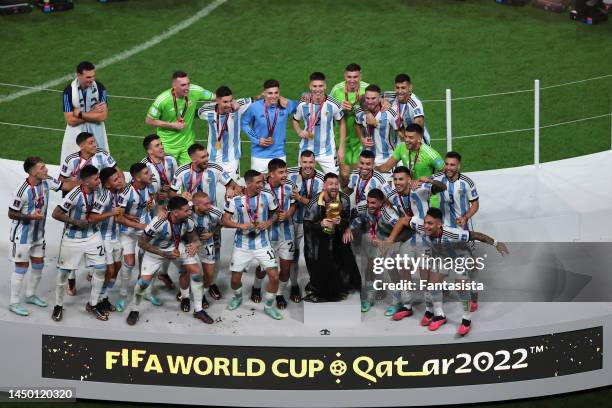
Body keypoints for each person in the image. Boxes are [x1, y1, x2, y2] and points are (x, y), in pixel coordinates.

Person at [387, 208, 508, 336]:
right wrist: (390, 241)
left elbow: (477, 235)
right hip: (443, 256)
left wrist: (497, 243)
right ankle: (439, 316)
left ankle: (466, 320)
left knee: (461, 287)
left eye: (430, 224)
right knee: (432, 285)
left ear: (439, 224)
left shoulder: (453, 233)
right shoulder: (420, 225)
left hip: (460, 256)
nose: (426, 226)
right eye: (425, 222)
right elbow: (403, 221)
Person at [127, 196, 212, 326]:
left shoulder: (187, 220)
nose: (190, 212)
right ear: (175, 212)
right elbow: (142, 243)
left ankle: (196, 307)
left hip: (177, 248)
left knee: (195, 272)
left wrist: (196, 243)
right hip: (156, 251)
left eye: (189, 210)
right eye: (186, 210)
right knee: (143, 282)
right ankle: (134, 310)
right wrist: (164, 253)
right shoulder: (158, 222)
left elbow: (193, 235)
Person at [8, 157, 74, 316]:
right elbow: (11, 213)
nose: (46, 170)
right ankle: (14, 302)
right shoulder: (21, 190)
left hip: (38, 236)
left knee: (38, 264)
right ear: (32, 172)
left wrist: (84, 180)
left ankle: (30, 295)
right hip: (21, 237)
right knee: (21, 268)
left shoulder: (46, 181)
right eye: (42, 168)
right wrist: (31, 217)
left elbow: (66, 185)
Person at [222, 170, 284, 320]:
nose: (261, 185)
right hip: (242, 245)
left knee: (274, 276)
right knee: (235, 280)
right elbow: (225, 220)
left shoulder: (268, 196)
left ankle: (269, 306)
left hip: (262, 244)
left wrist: (268, 222)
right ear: (248, 183)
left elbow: (276, 213)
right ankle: (237, 297)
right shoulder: (235, 200)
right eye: (258, 182)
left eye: (262, 181)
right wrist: (240, 225)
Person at [51, 165, 108, 322]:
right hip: (73, 238)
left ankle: (93, 303)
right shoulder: (74, 195)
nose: (99, 180)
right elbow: (56, 213)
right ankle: (58, 305)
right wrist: (75, 221)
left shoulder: (100, 190)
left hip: (92, 235)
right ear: (86, 182)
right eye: (95, 178)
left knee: (101, 268)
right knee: (63, 273)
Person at [433, 151, 481, 311]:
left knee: (470, 264)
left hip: (463, 230)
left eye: (452, 165)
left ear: (459, 166)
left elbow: (475, 204)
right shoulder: (438, 180)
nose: (448, 167)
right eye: (446, 164)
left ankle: (473, 293)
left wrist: (466, 217)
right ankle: (443, 288)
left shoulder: (467, 182)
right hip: (443, 231)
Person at [302, 173, 361, 302]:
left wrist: (344, 224)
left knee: (341, 261)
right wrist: (321, 224)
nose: (334, 187)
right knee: (317, 263)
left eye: (336, 184)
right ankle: (318, 288)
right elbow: (307, 224)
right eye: (330, 184)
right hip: (318, 239)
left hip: (337, 236)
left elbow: (348, 218)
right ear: (324, 186)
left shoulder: (344, 199)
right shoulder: (313, 203)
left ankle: (341, 288)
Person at [344, 188, 400, 313]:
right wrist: (349, 229)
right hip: (378, 237)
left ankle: (397, 302)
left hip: (392, 239)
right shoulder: (363, 206)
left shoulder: (388, 213)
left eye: (373, 203)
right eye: (369, 202)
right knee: (370, 266)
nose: (370, 205)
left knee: (391, 269)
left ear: (381, 203)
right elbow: (356, 217)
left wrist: (388, 243)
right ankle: (369, 298)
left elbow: (401, 227)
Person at [251, 159, 296, 309]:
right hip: (268, 234)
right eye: (281, 172)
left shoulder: (290, 186)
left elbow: (295, 203)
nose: (285, 175)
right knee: (263, 267)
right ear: (271, 174)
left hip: (287, 233)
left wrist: (288, 213)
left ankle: (279, 294)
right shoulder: (260, 187)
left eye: (286, 171)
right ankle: (256, 287)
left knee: (286, 268)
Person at [146, 71, 215, 165]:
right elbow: (149, 120)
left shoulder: (195, 91)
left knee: (190, 174)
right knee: (167, 176)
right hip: (167, 145)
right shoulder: (162, 100)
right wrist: (172, 125)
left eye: (188, 84)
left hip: (187, 144)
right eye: (183, 85)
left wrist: (233, 102)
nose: (187, 88)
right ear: (174, 86)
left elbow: (217, 97)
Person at [116, 163, 158, 312]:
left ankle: (147, 292)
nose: (151, 175)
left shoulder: (151, 186)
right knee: (129, 262)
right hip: (128, 232)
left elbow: (151, 203)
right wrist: (139, 226)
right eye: (147, 173)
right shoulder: (126, 192)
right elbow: (118, 218)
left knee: (148, 262)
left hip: (144, 231)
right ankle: (122, 295)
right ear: (137, 177)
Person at [87, 167, 127, 314]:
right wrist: (111, 212)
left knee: (116, 268)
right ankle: (94, 301)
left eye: (120, 177)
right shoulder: (104, 197)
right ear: (108, 185)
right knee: (108, 271)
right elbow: (91, 217)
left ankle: (103, 297)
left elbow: (120, 214)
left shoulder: (120, 194)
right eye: (116, 179)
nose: (120, 180)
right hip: (104, 239)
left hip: (115, 237)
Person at [287, 150, 325, 302]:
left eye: (310, 162)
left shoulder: (322, 180)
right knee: (294, 255)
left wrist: (299, 198)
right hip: (295, 222)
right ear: (300, 162)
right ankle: (294, 285)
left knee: (313, 255)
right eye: (305, 162)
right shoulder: (290, 174)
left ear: (314, 163)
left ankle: (315, 284)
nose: (307, 166)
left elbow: (318, 206)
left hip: (313, 223)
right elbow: (270, 175)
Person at [292, 72, 345, 175]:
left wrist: (341, 148)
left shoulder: (333, 104)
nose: (318, 89)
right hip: (306, 149)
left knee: (334, 181)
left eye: (320, 86)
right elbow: (295, 119)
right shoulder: (303, 103)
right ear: (310, 87)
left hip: (328, 151)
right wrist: (299, 131)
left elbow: (342, 122)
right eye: (314, 86)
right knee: (301, 181)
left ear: (325, 86)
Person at [241, 79, 298, 173]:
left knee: (279, 186)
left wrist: (303, 95)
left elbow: (301, 105)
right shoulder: (255, 107)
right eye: (270, 93)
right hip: (259, 156)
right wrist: (257, 139)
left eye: (276, 93)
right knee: (258, 186)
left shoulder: (285, 105)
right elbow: (244, 123)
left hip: (279, 155)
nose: (274, 96)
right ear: (264, 93)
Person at [197, 86, 252, 179]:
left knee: (233, 189)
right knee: (213, 189)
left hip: (232, 160)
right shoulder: (206, 110)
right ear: (217, 100)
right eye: (225, 102)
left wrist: (280, 98)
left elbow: (259, 98)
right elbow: (195, 114)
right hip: (213, 158)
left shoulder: (238, 106)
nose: (229, 104)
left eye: (230, 100)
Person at [329, 63, 369, 186]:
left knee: (362, 172)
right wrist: (340, 108)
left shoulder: (367, 88)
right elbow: (327, 110)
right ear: (345, 76)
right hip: (342, 138)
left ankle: (359, 198)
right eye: (349, 77)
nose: (352, 80)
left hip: (360, 137)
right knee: (345, 175)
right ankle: (345, 197)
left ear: (360, 76)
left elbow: (380, 102)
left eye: (355, 77)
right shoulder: (337, 90)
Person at [61, 61, 108, 163]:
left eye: (93, 76)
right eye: (88, 77)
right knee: (75, 163)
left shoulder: (100, 88)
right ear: (79, 75)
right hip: (76, 133)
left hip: (97, 132)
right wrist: (93, 112)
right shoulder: (68, 91)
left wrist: (80, 114)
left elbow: (103, 116)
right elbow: (70, 120)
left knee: (100, 163)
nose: (92, 80)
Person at [355, 84, 399, 182]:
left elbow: (400, 132)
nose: (370, 101)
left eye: (373, 98)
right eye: (367, 98)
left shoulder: (390, 113)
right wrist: (362, 138)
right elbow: (357, 124)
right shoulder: (360, 112)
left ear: (380, 98)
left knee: (387, 191)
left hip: (386, 158)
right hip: (366, 159)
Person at [169, 143, 236, 205]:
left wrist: (229, 189)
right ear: (193, 159)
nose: (207, 159)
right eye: (203, 157)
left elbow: (233, 185)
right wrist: (181, 196)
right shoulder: (181, 171)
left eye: (207, 155)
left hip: (210, 210)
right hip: (189, 210)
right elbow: (171, 193)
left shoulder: (215, 168)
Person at [191, 191, 225, 308]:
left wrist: (211, 233)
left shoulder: (215, 212)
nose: (209, 206)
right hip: (190, 245)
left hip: (208, 244)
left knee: (209, 273)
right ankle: (185, 293)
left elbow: (224, 222)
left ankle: (203, 292)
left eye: (209, 203)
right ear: (196, 205)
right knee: (189, 270)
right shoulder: (187, 211)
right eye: (205, 204)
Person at [376, 123, 443, 180]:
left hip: (427, 193)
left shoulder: (430, 154)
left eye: (411, 137)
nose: (406, 140)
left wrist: (429, 180)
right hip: (410, 192)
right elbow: (386, 167)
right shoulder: (402, 147)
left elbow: (446, 172)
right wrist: (372, 169)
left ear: (419, 139)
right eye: (406, 136)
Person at [383, 74, 431, 145]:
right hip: (401, 145)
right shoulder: (392, 96)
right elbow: (371, 96)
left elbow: (418, 127)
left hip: (418, 144)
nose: (400, 91)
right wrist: (382, 101)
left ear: (410, 88)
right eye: (397, 88)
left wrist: (402, 134)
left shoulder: (415, 104)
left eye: (403, 88)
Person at [141, 134, 178, 207]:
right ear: (149, 151)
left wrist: (170, 187)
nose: (162, 147)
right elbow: (141, 190)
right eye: (157, 145)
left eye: (161, 144)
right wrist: (157, 194)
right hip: (153, 204)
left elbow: (176, 179)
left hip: (170, 198)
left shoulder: (171, 160)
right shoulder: (143, 167)